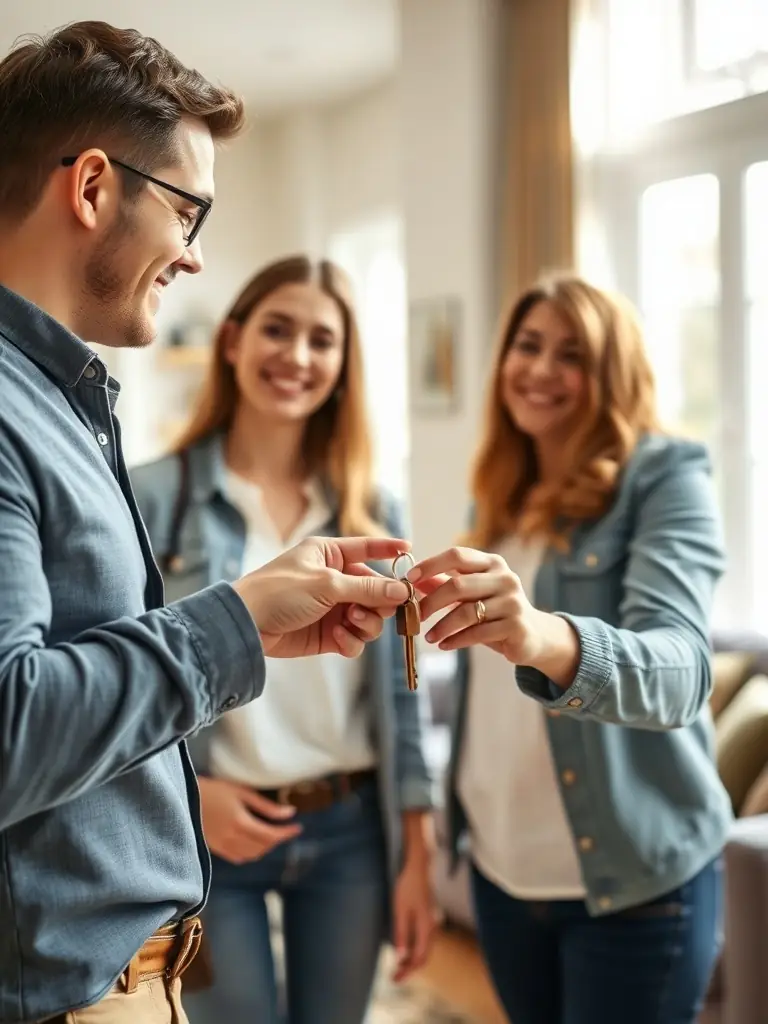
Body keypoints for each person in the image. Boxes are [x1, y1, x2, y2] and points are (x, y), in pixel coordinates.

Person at [0, 23, 412, 1024]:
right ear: (93, 187)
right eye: (188, 211)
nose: (191, 255)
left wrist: (247, 627)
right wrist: (237, 620)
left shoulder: (64, 403)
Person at [406, 275, 732, 1024]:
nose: (541, 369)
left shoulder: (667, 477)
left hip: (632, 884)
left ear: (614, 372)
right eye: (528, 345)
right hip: (501, 869)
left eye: (573, 354)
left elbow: (683, 671)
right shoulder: (500, 492)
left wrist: (540, 634)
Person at [130, 254, 437, 1024]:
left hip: (349, 833)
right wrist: (189, 795)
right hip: (214, 830)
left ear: (343, 366)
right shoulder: (153, 496)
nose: (297, 355)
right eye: (277, 329)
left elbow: (402, 694)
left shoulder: (373, 512)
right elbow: (124, 675)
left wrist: (417, 852)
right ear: (233, 341)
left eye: (321, 340)